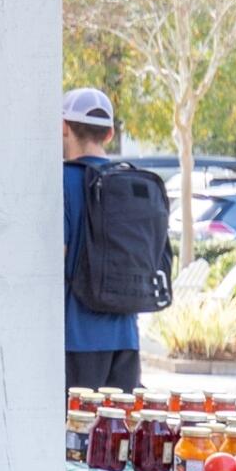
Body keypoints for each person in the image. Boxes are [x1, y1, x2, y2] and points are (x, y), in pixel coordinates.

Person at [62, 87, 141, 391]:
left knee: (76, 435)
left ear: (64, 127)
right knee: (118, 436)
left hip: (76, 339)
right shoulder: (132, 180)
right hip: (126, 337)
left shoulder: (63, 181)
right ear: (109, 134)